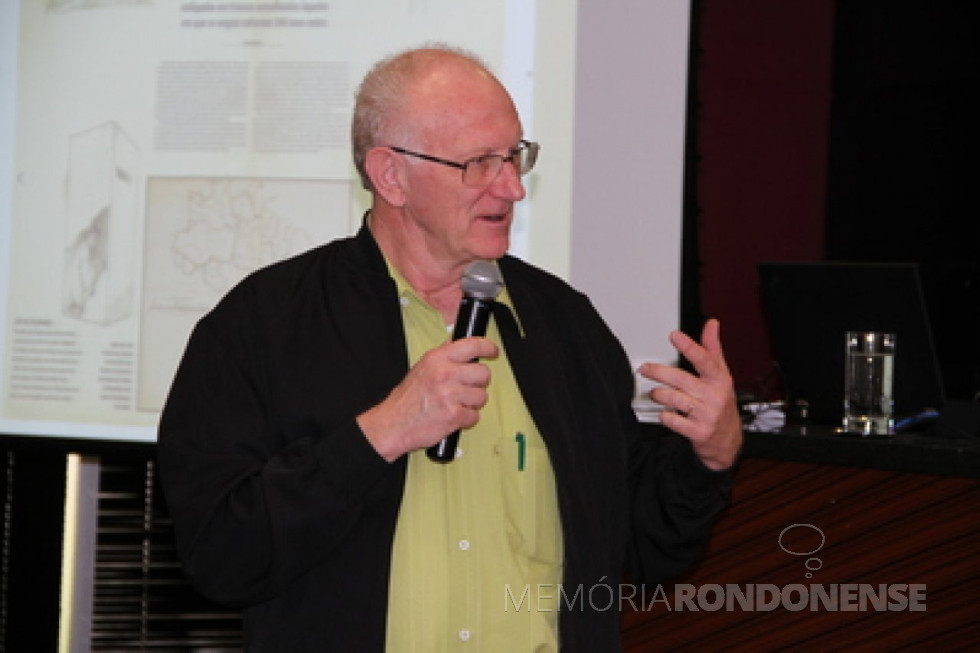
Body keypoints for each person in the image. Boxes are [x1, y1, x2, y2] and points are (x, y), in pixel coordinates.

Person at [157, 44, 742, 652]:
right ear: (391, 176)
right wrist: (378, 434)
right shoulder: (264, 324)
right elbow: (221, 558)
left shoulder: (565, 327)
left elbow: (642, 547)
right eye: (480, 163)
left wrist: (708, 460)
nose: (512, 187)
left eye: (515, 157)